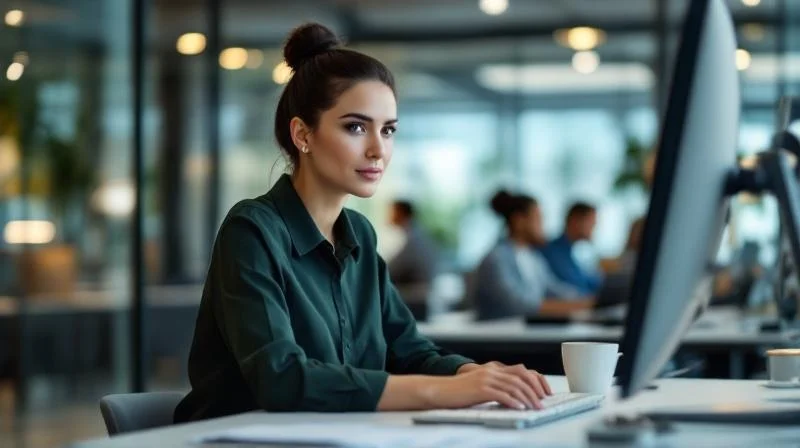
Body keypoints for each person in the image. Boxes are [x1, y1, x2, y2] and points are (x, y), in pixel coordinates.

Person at [174, 23, 551, 423]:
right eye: (356, 127)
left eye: (388, 130)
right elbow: (281, 378)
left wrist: (476, 373)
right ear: (303, 133)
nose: (378, 150)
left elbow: (407, 349)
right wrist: (447, 390)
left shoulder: (359, 235)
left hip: (338, 434)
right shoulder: (252, 230)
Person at [472, 191, 594, 321]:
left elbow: (552, 288)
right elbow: (520, 305)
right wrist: (583, 304)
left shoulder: (534, 257)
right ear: (519, 221)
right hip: (497, 334)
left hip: (525, 331)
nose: (543, 226)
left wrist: (586, 299)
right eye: (538, 219)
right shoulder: (496, 259)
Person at [387, 200, 438, 319]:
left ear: (401, 213)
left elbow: (392, 269)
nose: (389, 216)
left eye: (392, 212)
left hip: (413, 300)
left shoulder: (414, 240)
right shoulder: (418, 235)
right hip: (417, 298)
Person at [540, 202, 603, 295]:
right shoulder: (553, 252)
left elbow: (590, 282)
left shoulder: (573, 252)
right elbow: (578, 285)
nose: (594, 228)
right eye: (591, 223)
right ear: (575, 221)